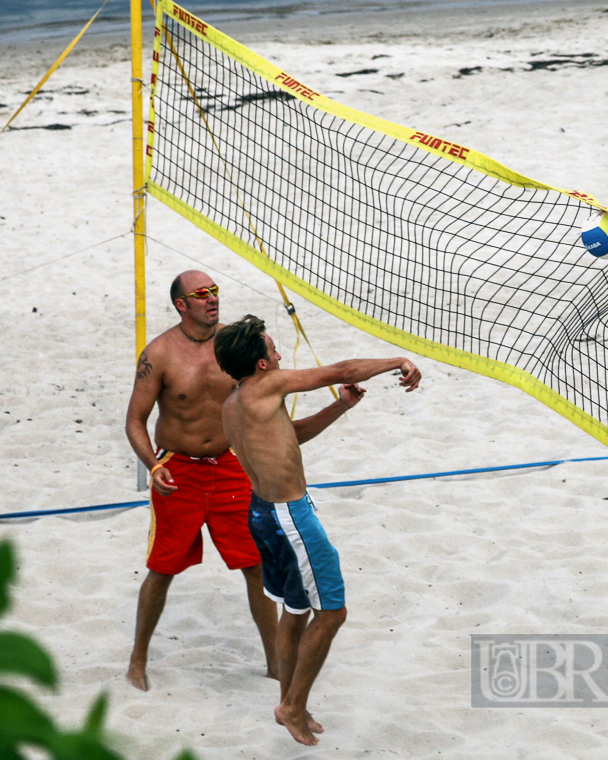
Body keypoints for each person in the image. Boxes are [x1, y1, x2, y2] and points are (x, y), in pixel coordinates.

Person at [214, 314, 421, 747]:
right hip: (290, 518)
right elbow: (341, 370)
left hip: (263, 513)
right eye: (272, 349)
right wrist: (397, 360)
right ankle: (292, 705)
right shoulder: (267, 386)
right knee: (333, 614)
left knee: (295, 611)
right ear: (262, 366)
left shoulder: (234, 404)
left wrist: (340, 406)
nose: (277, 352)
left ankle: (290, 703)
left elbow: (291, 435)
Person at [123, 271, 278, 691]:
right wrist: (153, 467)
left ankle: (276, 664)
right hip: (179, 470)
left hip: (231, 465)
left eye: (215, 291)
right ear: (181, 305)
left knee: (256, 566)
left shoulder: (236, 343)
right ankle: (138, 661)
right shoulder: (160, 353)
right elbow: (135, 421)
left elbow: (275, 381)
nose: (212, 299)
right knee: (162, 569)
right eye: (202, 294)